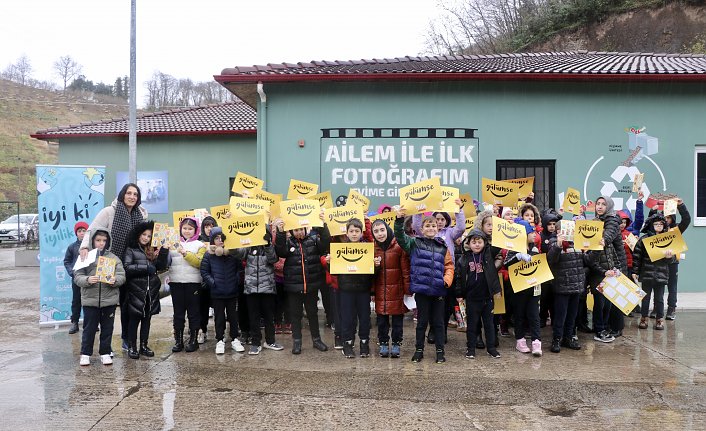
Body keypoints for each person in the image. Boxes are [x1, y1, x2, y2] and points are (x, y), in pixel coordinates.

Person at [79, 183, 147, 351]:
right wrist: (84, 246)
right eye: (129, 193)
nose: (132, 197)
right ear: (122, 194)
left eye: (135, 194)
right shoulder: (109, 212)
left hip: (133, 264)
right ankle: (114, 341)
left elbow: (146, 237)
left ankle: (129, 338)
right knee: (116, 303)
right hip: (111, 263)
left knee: (131, 304)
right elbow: (92, 230)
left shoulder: (141, 215)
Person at [394, 207, 454, 364]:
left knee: (439, 323)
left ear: (437, 228)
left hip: (439, 290)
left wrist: (446, 281)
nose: (431, 228)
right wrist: (399, 220)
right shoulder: (414, 243)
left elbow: (449, 266)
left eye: (433, 226)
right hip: (421, 291)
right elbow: (400, 237)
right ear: (421, 229)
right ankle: (419, 350)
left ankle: (440, 351)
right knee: (422, 322)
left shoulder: (443, 246)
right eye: (427, 226)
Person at [274, 212, 331, 354]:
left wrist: (323, 225)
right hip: (294, 287)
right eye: (296, 229)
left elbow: (326, 242)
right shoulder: (289, 243)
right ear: (292, 231)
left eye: (301, 229)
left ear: (306, 229)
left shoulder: (313, 241)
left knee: (313, 313)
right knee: (295, 315)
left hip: (311, 287)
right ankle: (297, 341)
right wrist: (281, 233)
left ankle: (316, 340)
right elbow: (280, 251)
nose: (299, 232)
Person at [74, 230, 126, 366]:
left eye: (104, 240)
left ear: (108, 242)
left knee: (107, 328)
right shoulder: (85, 257)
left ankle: (105, 352)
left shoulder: (114, 258)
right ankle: (85, 354)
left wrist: (115, 280)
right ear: (92, 241)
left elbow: (122, 275)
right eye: (98, 240)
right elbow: (77, 276)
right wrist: (87, 279)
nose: (101, 243)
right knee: (89, 328)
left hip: (109, 300)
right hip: (90, 300)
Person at [232, 226, 284, 355]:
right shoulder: (249, 247)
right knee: (253, 317)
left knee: (268, 316)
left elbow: (273, 259)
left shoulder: (269, 246)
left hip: (267, 288)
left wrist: (267, 244)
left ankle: (270, 341)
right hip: (251, 288)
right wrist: (230, 242)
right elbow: (237, 253)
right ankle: (256, 343)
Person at [123, 221, 170, 359]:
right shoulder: (131, 250)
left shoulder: (152, 250)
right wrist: (144, 268)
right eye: (144, 235)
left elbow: (161, 266)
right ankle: (132, 347)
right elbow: (127, 268)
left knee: (147, 320)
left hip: (151, 291)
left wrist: (164, 250)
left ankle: (144, 345)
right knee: (134, 320)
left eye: (149, 236)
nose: (146, 238)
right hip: (136, 291)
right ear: (138, 234)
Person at [455, 229, 501, 359]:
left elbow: (499, 244)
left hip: (487, 298)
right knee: (472, 325)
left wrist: (505, 226)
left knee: (489, 324)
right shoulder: (463, 259)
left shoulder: (488, 254)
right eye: (473, 242)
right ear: (468, 243)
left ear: (484, 243)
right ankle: (471, 348)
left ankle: (491, 348)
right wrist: (459, 294)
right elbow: (458, 278)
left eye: (479, 241)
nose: (477, 245)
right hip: (471, 299)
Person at [587, 196, 628, 343]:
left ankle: (607, 328)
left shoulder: (612, 221)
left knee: (609, 303)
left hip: (611, 269)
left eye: (603, 204)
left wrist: (617, 269)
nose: (599, 206)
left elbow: (610, 236)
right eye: (598, 203)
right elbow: (589, 255)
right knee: (600, 303)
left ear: (608, 206)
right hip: (598, 271)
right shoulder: (594, 223)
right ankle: (600, 329)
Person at [200, 227, 245, 354]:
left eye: (222, 238)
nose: (220, 240)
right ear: (212, 240)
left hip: (232, 291)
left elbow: (240, 269)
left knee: (233, 317)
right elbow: (204, 271)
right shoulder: (209, 255)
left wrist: (236, 281)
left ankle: (235, 338)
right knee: (219, 317)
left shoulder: (233, 254)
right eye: (216, 238)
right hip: (217, 293)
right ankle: (220, 340)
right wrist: (213, 283)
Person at [547, 222, 588, 353]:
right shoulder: (554, 242)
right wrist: (559, 244)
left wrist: (595, 249)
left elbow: (588, 261)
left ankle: (568, 337)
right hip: (562, 286)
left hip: (577, 286)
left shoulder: (578, 243)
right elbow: (551, 259)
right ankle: (557, 339)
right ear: (558, 231)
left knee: (572, 315)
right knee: (560, 315)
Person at [504, 219, 543, 356]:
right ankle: (520, 341)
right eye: (531, 232)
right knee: (519, 315)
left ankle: (536, 342)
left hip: (533, 287)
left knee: (534, 315)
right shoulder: (513, 249)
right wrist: (517, 257)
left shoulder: (534, 248)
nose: (534, 234)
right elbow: (506, 264)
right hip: (518, 288)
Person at [372, 219, 410, 358]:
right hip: (380, 291)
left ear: (387, 229)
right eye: (376, 231)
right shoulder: (372, 248)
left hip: (397, 290)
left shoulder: (398, 246)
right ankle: (383, 343)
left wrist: (407, 290)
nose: (380, 234)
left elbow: (405, 270)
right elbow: (370, 274)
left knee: (397, 321)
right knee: (381, 320)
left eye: (382, 230)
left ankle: (396, 344)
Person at [169, 217, 207, 353]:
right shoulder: (172, 243)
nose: (187, 231)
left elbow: (199, 262)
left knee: (193, 313)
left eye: (190, 228)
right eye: (184, 228)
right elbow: (166, 262)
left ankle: (193, 340)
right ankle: (178, 340)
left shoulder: (200, 245)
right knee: (178, 313)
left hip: (193, 284)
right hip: (176, 282)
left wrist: (185, 253)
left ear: (196, 230)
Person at [632, 214, 674, 330]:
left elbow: (672, 260)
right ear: (651, 225)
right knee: (646, 298)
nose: (658, 226)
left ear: (664, 225)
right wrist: (635, 271)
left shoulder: (668, 239)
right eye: (656, 224)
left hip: (661, 273)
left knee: (659, 299)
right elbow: (637, 256)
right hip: (647, 273)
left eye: (661, 224)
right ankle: (644, 318)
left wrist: (669, 256)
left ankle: (659, 319)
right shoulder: (644, 239)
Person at [64, 221, 88, 334]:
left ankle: (90, 323)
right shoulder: (72, 247)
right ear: (76, 233)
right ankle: (74, 322)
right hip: (77, 278)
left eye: (84, 231)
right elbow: (67, 261)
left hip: (89, 278)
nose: (82, 233)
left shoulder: (91, 246)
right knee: (76, 300)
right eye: (79, 231)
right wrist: (71, 272)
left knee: (89, 300)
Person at [197, 215, 218, 344]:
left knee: (219, 309)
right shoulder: (199, 242)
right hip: (203, 281)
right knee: (202, 309)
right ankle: (202, 332)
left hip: (217, 281)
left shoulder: (219, 240)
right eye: (206, 226)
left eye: (211, 226)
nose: (209, 228)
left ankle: (219, 333)